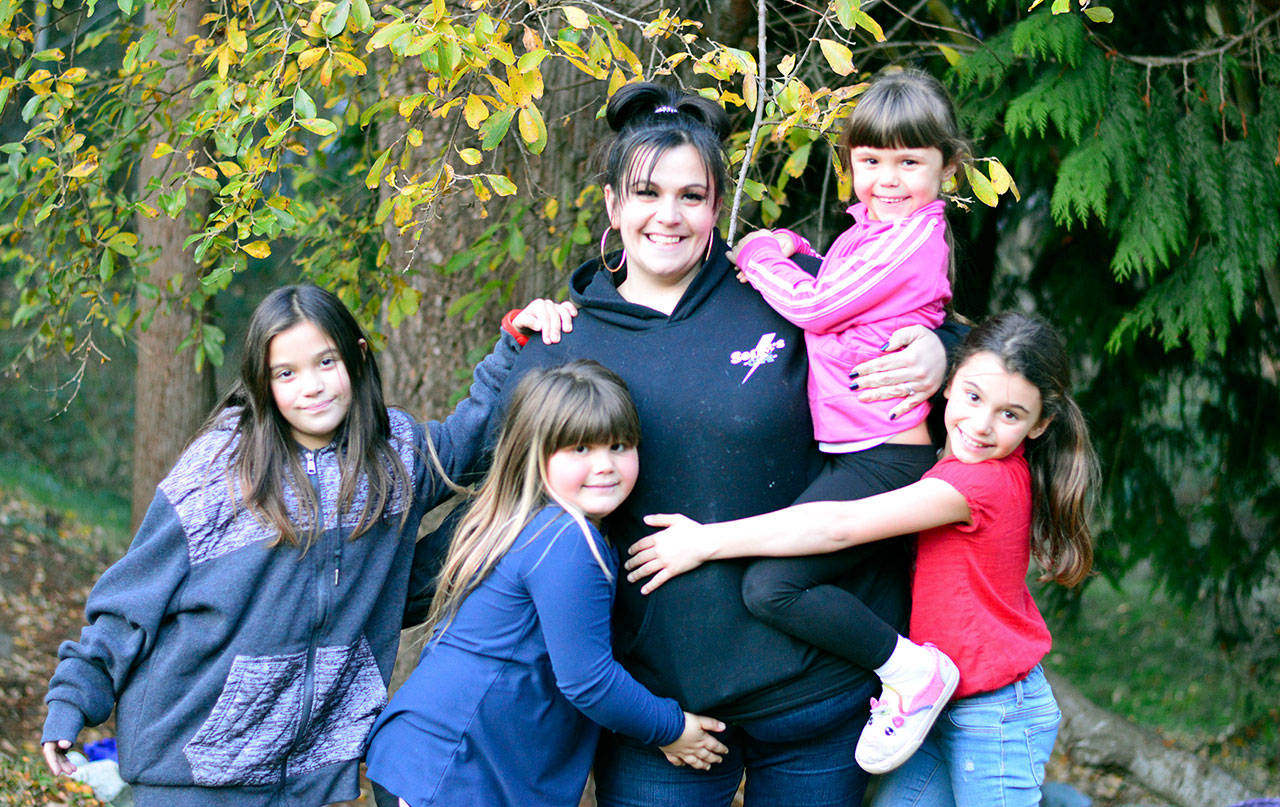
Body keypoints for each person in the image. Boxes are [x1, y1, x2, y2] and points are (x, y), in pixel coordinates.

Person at [480, 80, 963, 807]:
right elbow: (491, 498)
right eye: (646, 193)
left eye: (692, 196)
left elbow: (949, 352)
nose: (667, 217)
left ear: (716, 207)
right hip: (662, 712)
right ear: (613, 204)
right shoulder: (564, 343)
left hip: (816, 691)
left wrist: (942, 351)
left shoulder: (779, 289)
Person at [40, 284, 574, 807]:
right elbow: (130, 604)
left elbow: (472, 435)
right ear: (262, 381)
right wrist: (73, 698)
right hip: (189, 767)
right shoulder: (219, 471)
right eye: (286, 373)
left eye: (326, 362)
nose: (312, 386)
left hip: (306, 775)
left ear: (357, 357)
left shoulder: (393, 457)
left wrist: (517, 344)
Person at [625, 312, 1099, 805]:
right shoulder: (959, 461)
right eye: (974, 397)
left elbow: (838, 527)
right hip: (939, 702)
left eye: (1010, 414)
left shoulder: (976, 484)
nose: (980, 425)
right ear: (947, 382)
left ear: (1042, 423)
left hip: (995, 711)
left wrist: (706, 541)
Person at [722, 66, 972, 772]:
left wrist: (759, 252)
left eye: (909, 162)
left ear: (947, 167)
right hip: (855, 452)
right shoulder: (870, 236)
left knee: (772, 585)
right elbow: (838, 283)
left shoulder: (912, 239)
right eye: (870, 162)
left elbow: (817, 308)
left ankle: (911, 671)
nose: (887, 180)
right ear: (850, 163)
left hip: (886, 455)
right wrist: (801, 251)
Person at [364, 361, 729, 807]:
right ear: (536, 455)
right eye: (580, 448)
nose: (605, 466)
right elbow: (588, 680)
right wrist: (672, 729)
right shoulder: (567, 539)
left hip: (431, 756)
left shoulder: (531, 520)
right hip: (454, 770)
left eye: (619, 445)